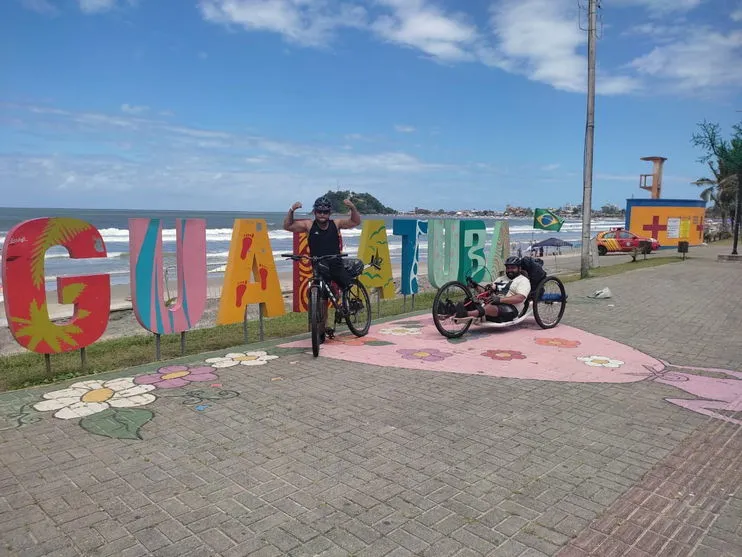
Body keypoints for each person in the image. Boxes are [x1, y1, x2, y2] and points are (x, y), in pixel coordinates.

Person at [283, 195, 361, 340]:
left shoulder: (336, 224)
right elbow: (288, 226)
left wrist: (352, 207)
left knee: (345, 286)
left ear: (329, 213)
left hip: (335, 263)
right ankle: (320, 331)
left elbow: (355, 221)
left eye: (325, 212)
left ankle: (347, 306)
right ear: (315, 212)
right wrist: (291, 210)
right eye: (319, 212)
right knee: (320, 299)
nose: (322, 214)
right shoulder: (309, 225)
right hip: (319, 265)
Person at [455, 256, 531, 323]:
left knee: (488, 308)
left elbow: (520, 298)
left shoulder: (523, 281)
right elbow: (487, 292)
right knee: (468, 302)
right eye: (508, 268)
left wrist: (499, 300)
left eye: (513, 268)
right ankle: (448, 311)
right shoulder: (501, 278)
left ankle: (465, 314)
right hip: (493, 305)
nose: (509, 270)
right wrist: (475, 286)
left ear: (519, 268)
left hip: (510, 309)